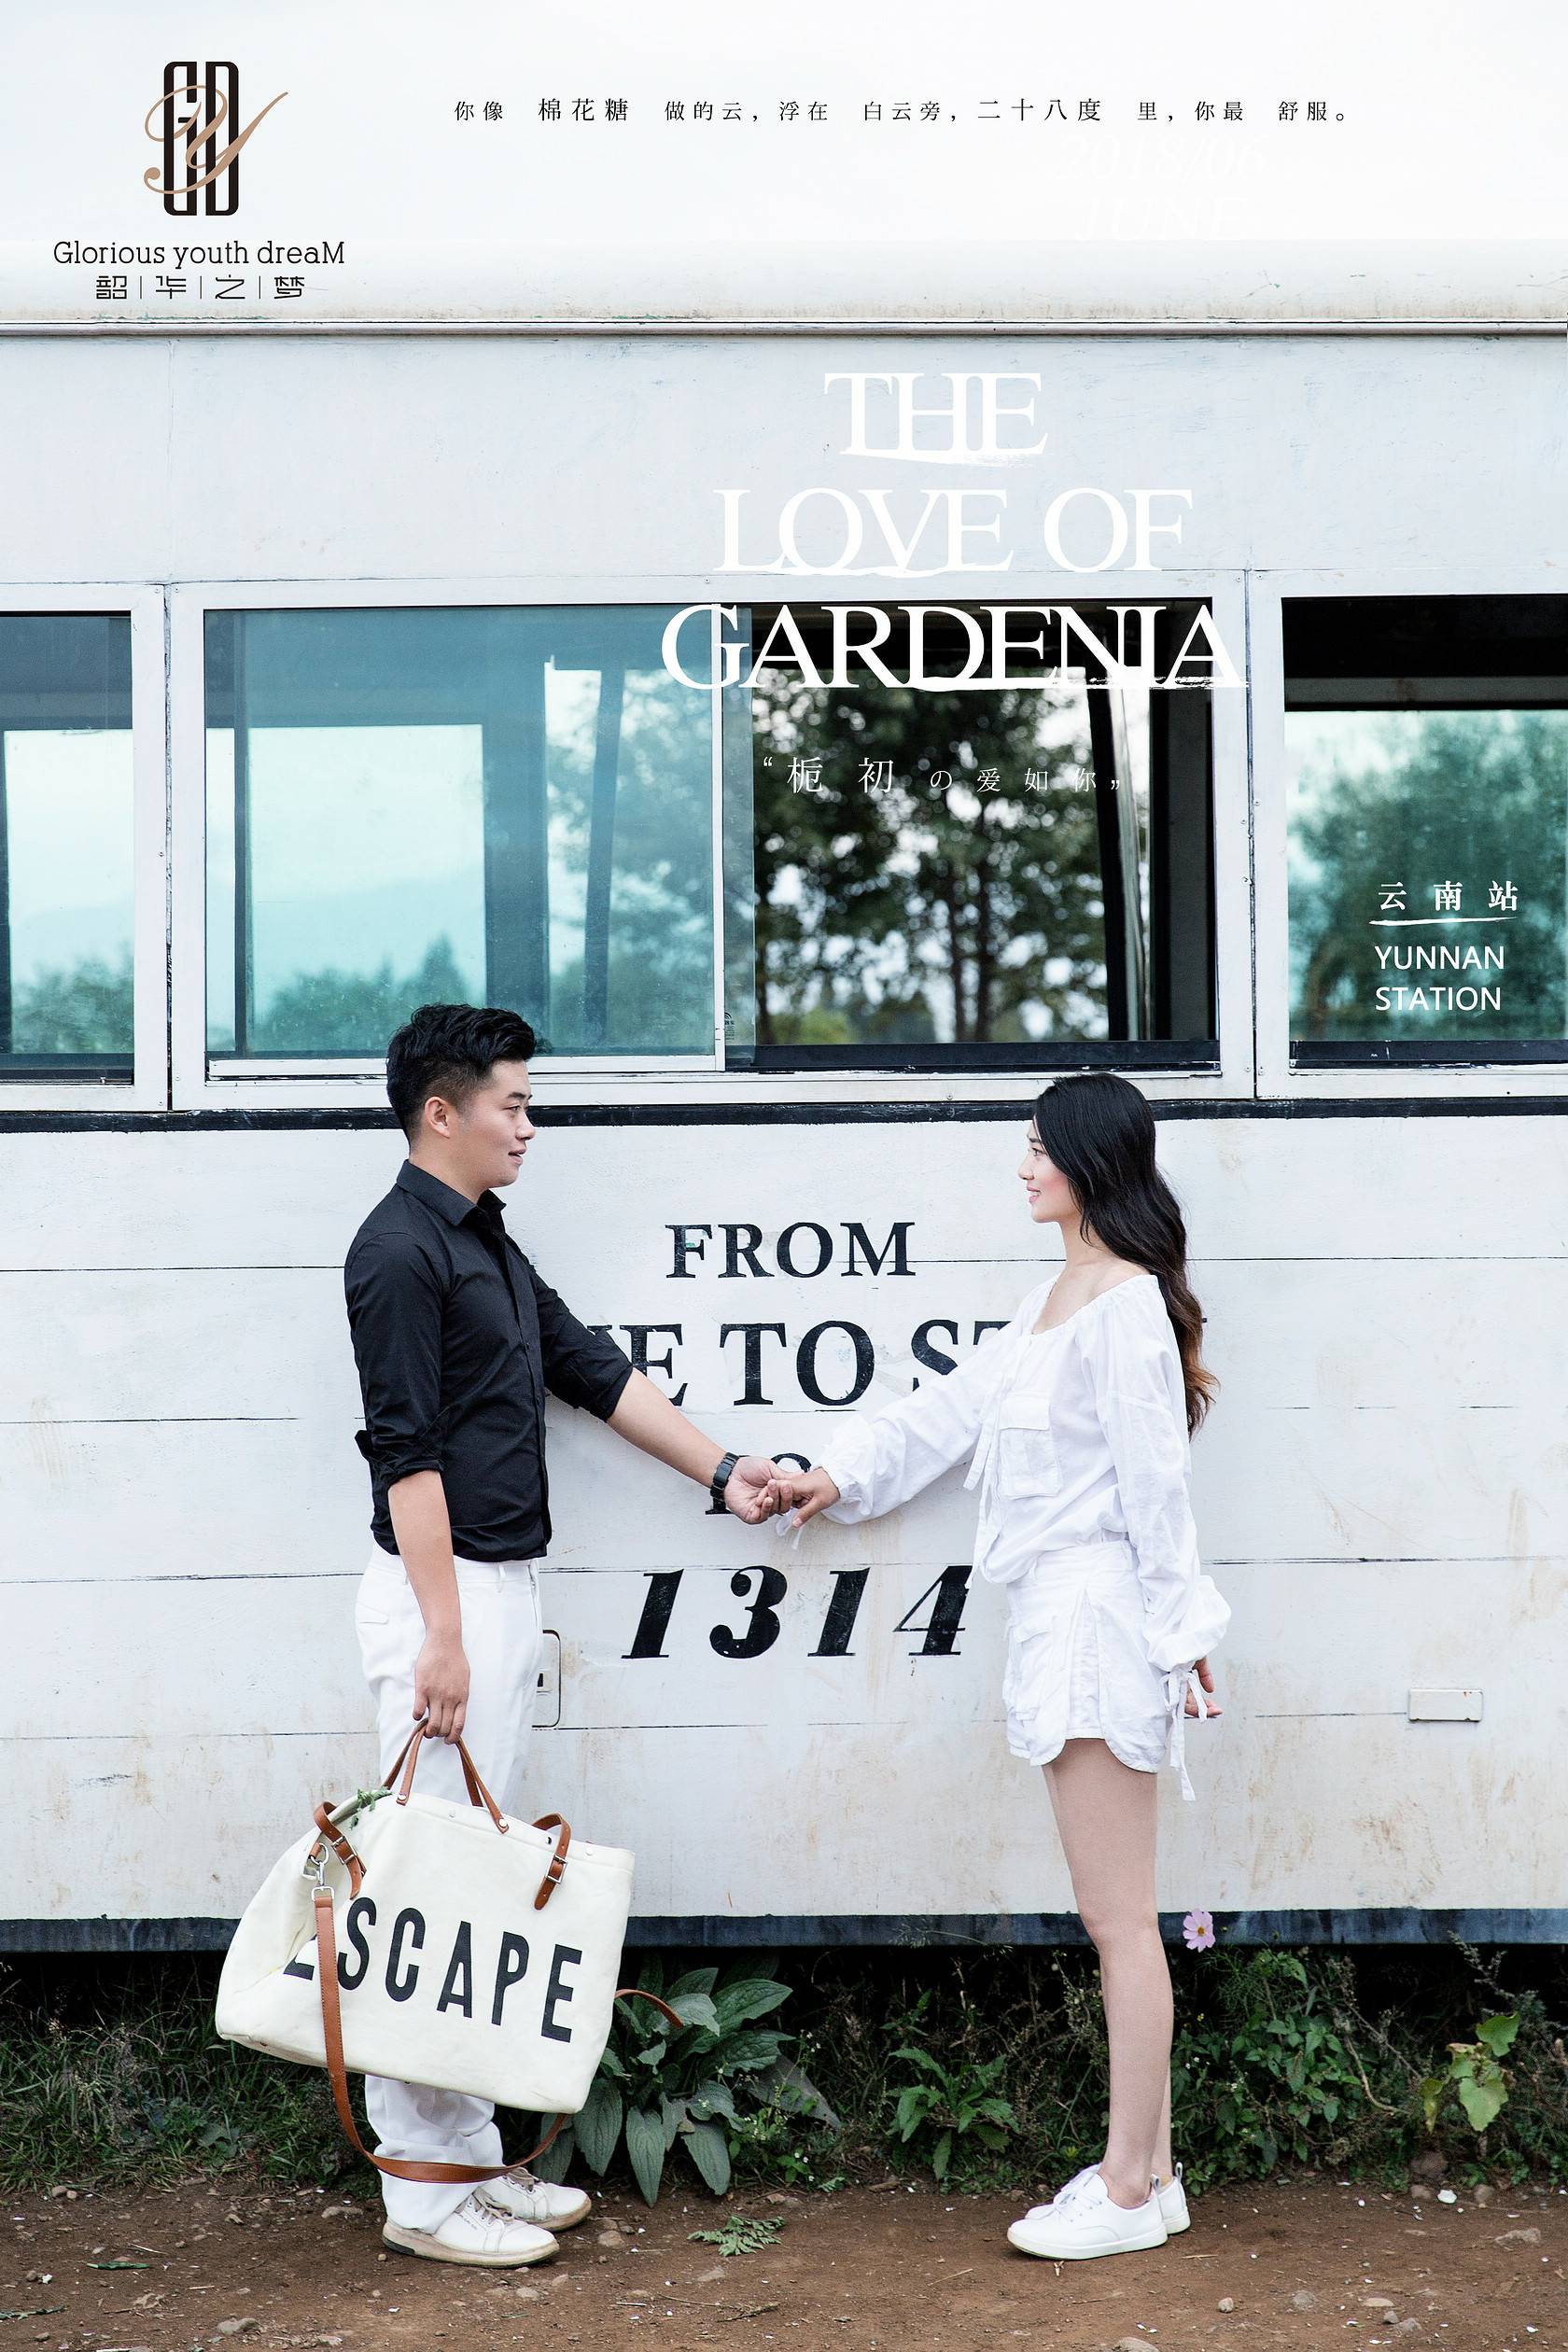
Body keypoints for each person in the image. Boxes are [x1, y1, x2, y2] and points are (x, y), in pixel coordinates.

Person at [343, 1001, 787, 2270]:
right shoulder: (395, 1252)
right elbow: (403, 1454)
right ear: (443, 1111)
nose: (529, 1125)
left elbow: (587, 1366)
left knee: (476, 1882)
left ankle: (471, 2156)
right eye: (514, 1104)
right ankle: (421, 2191)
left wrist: (725, 1471)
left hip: (493, 1593)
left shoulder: (480, 1235)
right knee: (430, 1887)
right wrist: (442, 1637)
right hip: (444, 1599)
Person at [777, 1071, 1230, 2263]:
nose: (1023, 1166)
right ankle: (1153, 2175)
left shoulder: (1124, 1306)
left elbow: (1157, 1488)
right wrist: (836, 1475)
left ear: (1089, 1160)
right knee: (1116, 1917)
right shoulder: (1054, 1300)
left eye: (1038, 1147)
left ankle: (1126, 2189)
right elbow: (945, 1415)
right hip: (1058, 1619)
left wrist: (1182, 1634)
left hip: (1098, 1623)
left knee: (1119, 1922)